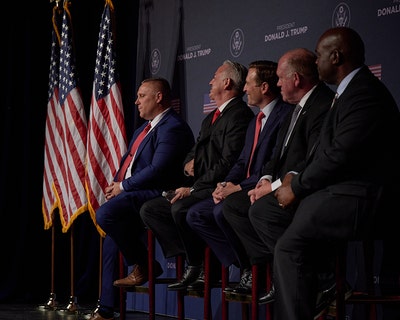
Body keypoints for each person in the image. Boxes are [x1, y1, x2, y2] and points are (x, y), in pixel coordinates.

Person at [249, 27, 399, 319]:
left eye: (318, 56)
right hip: (338, 190)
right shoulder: (346, 93)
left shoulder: (364, 93)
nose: (315, 63)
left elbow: (341, 155)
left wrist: (298, 185)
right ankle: (318, 281)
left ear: (336, 55)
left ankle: (318, 283)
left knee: (289, 249)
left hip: (363, 197)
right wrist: (292, 179)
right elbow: (323, 153)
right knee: (268, 214)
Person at [221, 48, 334, 301]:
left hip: (310, 188)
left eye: (281, 79)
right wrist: (265, 180)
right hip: (281, 184)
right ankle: (284, 271)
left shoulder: (322, 105)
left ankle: (310, 277)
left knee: (260, 211)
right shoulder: (295, 107)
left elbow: (313, 160)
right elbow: (277, 157)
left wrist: (272, 188)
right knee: (234, 206)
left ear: (296, 80)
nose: (278, 83)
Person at [139, 60, 254, 292]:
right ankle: (196, 260)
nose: (210, 81)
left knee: (180, 209)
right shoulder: (210, 117)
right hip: (197, 184)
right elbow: (192, 154)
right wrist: (186, 168)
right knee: (151, 209)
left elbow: (228, 162)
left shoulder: (239, 115)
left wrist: (192, 188)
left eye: (215, 77)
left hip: (214, 186)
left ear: (227, 82)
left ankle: (200, 265)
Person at [90, 77, 195, 320]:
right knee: (111, 239)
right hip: (134, 193)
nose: (136, 101)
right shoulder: (143, 129)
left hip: (159, 194)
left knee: (106, 215)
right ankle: (107, 309)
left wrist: (123, 187)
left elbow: (157, 169)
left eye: (142, 96)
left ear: (159, 97)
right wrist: (115, 184)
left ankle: (146, 266)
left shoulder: (172, 127)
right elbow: (129, 161)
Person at [185, 60, 293, 295]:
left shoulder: (284, 114)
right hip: (245, 185)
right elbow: (243, 161)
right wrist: (226, 183)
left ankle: (256, 268)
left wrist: (238, 188)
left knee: (221, 210)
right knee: (199, 213)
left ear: (264, 87)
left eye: (248, 85)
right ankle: (246, 266)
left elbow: (271, 165)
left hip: (266, 186)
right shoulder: (256, 120)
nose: (244, 89)